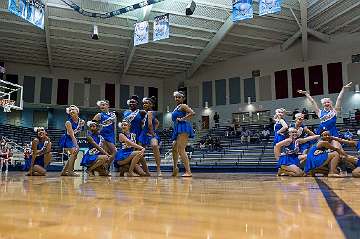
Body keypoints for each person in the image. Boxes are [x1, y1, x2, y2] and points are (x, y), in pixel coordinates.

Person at [171, 91, 195, 177]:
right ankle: (175, 168)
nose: (177, 99)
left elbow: (192, 113)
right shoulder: (177, 107)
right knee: (174, 147)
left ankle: (188, 171)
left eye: (179, 97)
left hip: (183, 127)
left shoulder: (183, 106)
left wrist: (182, 119)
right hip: (178, 127)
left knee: (181, 149)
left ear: (183, 98)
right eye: (176, 97)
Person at [139, 96, 161, 176]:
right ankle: (152, 170)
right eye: (144, 103)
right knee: (141, 152)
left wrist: (152, 133)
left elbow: (150, 124)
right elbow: (157, 122)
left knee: (154, 146)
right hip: (143, 133)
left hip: (148, 134)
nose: (145, 104)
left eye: (147, 103)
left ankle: (158, 169)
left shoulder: (150, 112)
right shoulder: (145, 113)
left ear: (151, 105)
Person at [59, 105, 85, 176]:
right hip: (67, 139)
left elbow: (79, 133)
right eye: (70, 110)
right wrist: (76, 145)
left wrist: (77, 143)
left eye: (73, 109)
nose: (71, 111)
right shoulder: (68, 122)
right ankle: (70, 171)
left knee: (74, 155)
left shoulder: (81, 121)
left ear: (77, 111)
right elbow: (72, 135)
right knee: (74, 153)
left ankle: (64, 171)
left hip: (73, 139)